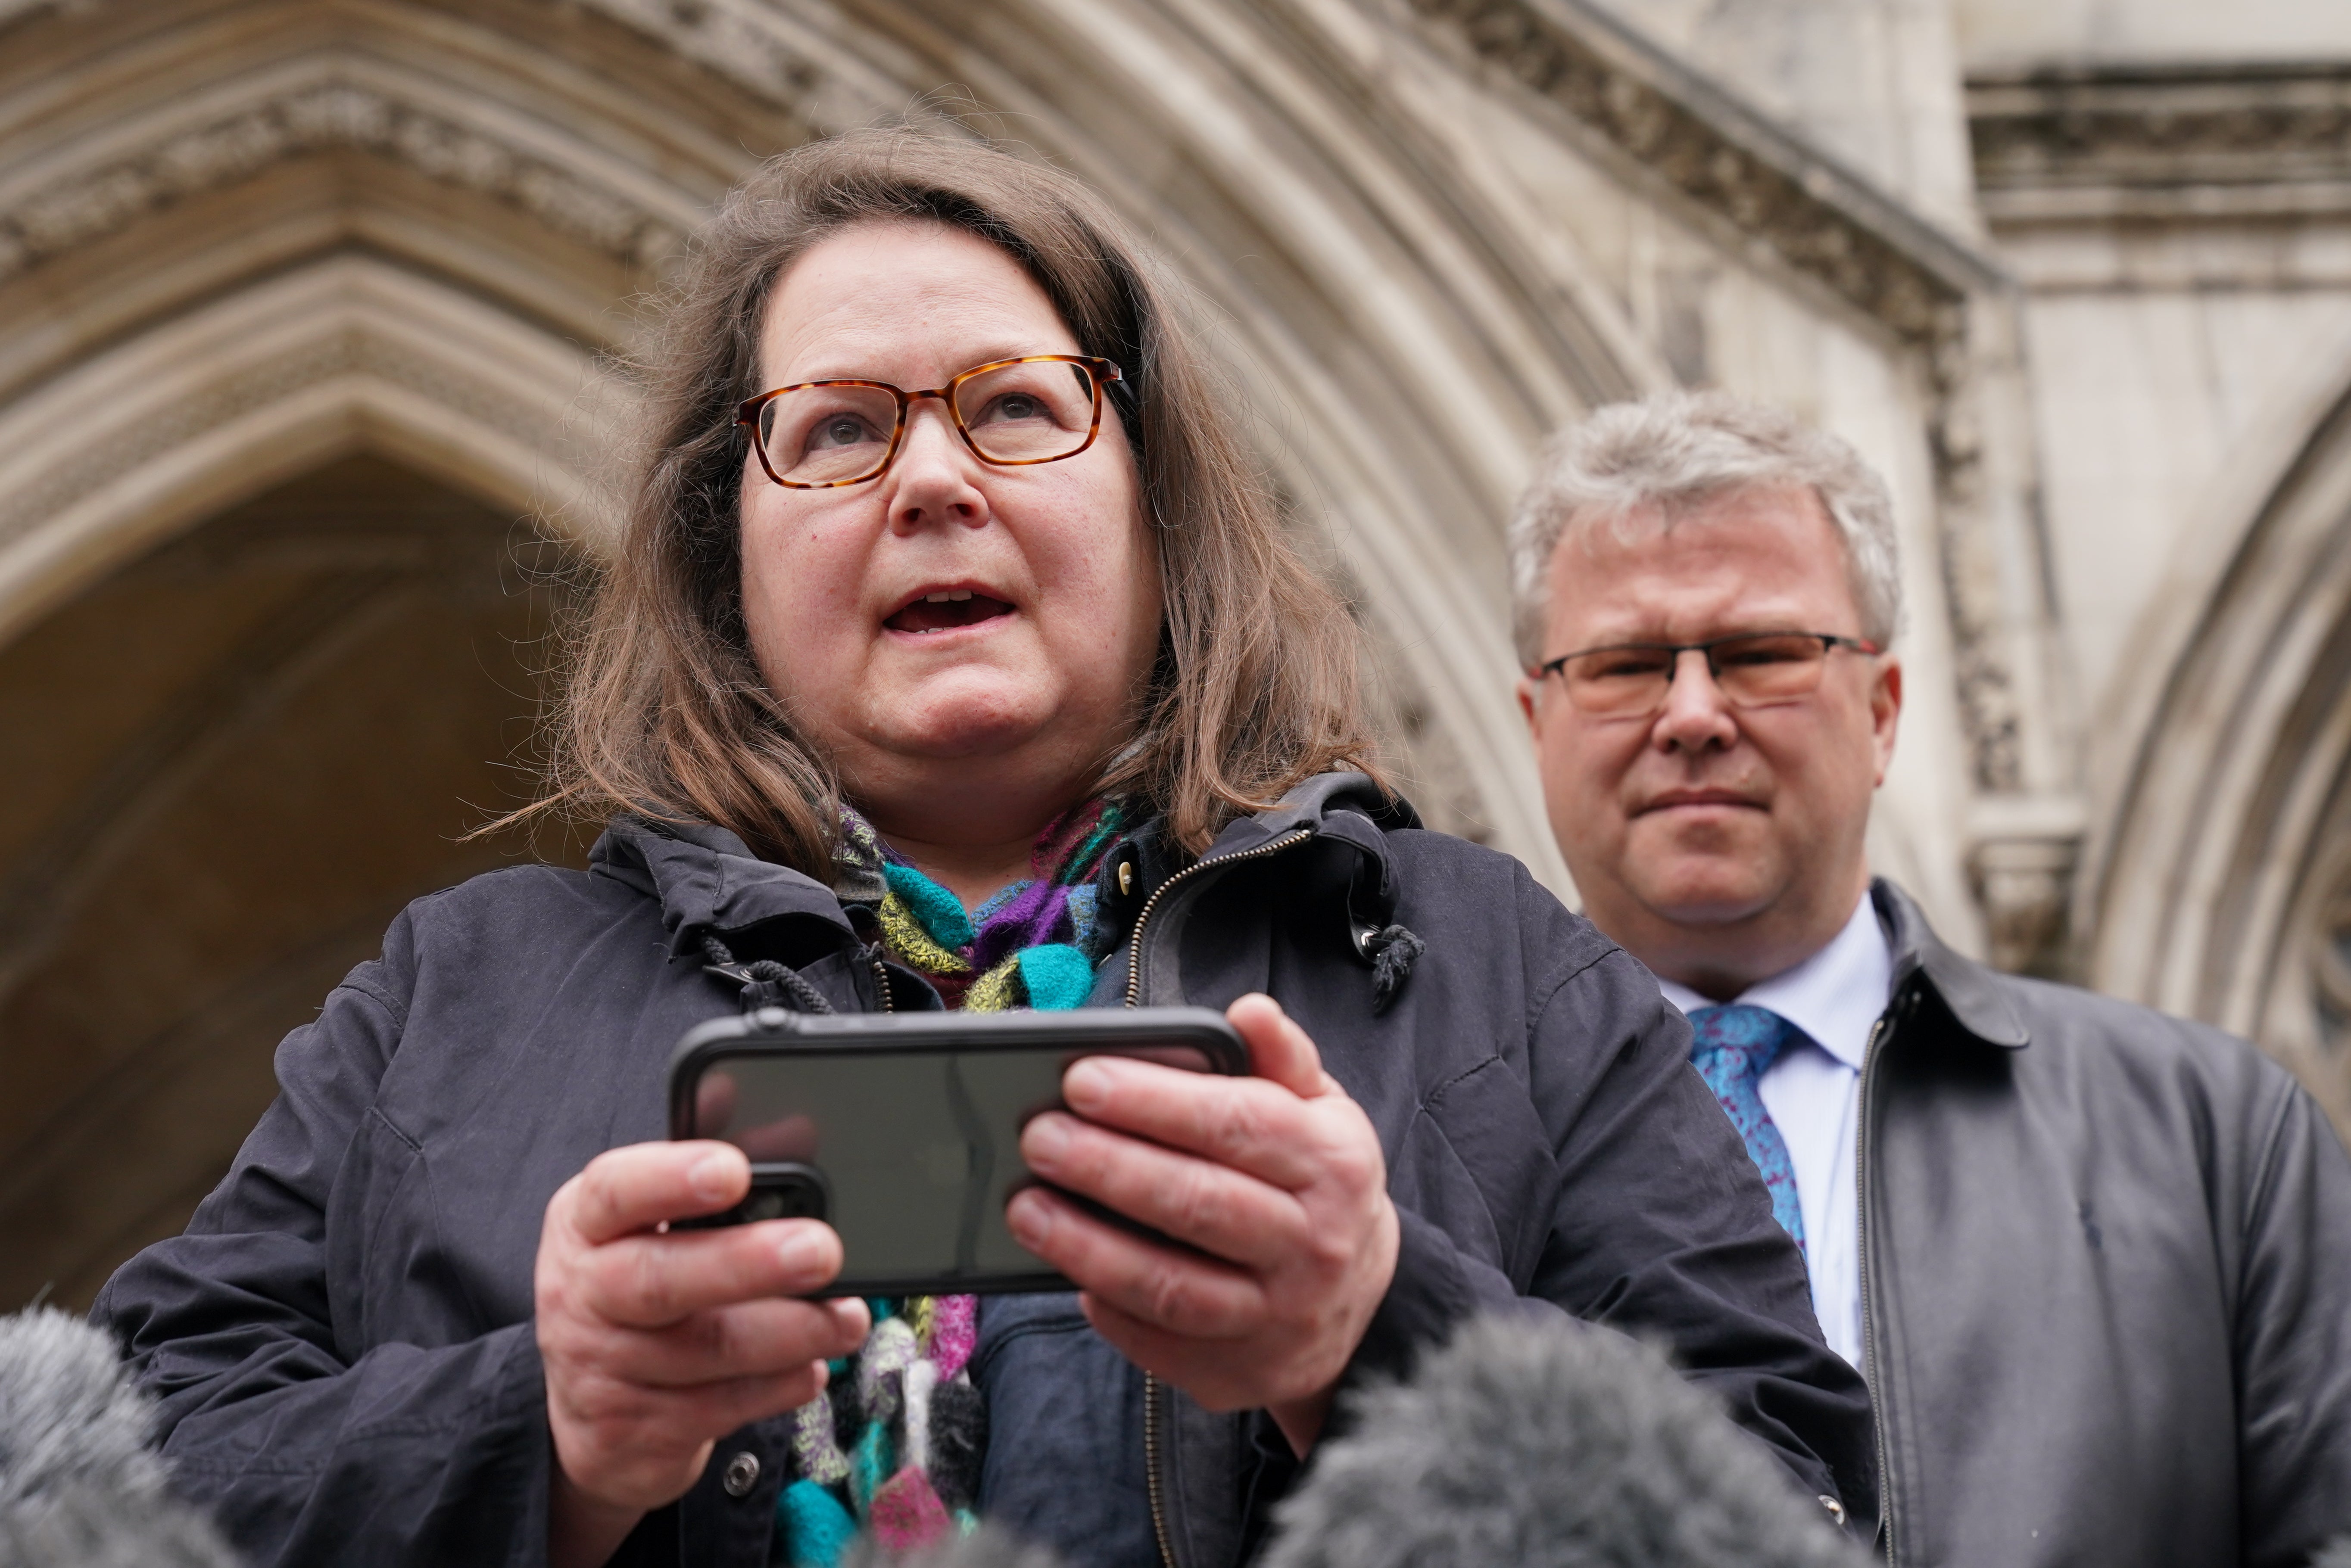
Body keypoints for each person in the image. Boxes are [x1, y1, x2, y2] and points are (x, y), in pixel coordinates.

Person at [93, 134, 1873, 1568]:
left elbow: (1801, 1504)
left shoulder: (1486, 964)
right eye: (839, 431)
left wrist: (1375, 1328)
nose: (929, 482)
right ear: (729, 555)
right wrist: (546, 1429)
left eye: (1017, 407)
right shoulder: (454, 996)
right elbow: (120, 1488)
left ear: (1156, 510)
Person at [1512, 389, 2351, 1568]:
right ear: (1534, 720)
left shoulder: (2216, 1139)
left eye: (1759, 653)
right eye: (1625, 665)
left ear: (1886, 710)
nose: (1693, 714)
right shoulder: (1422, 1157)